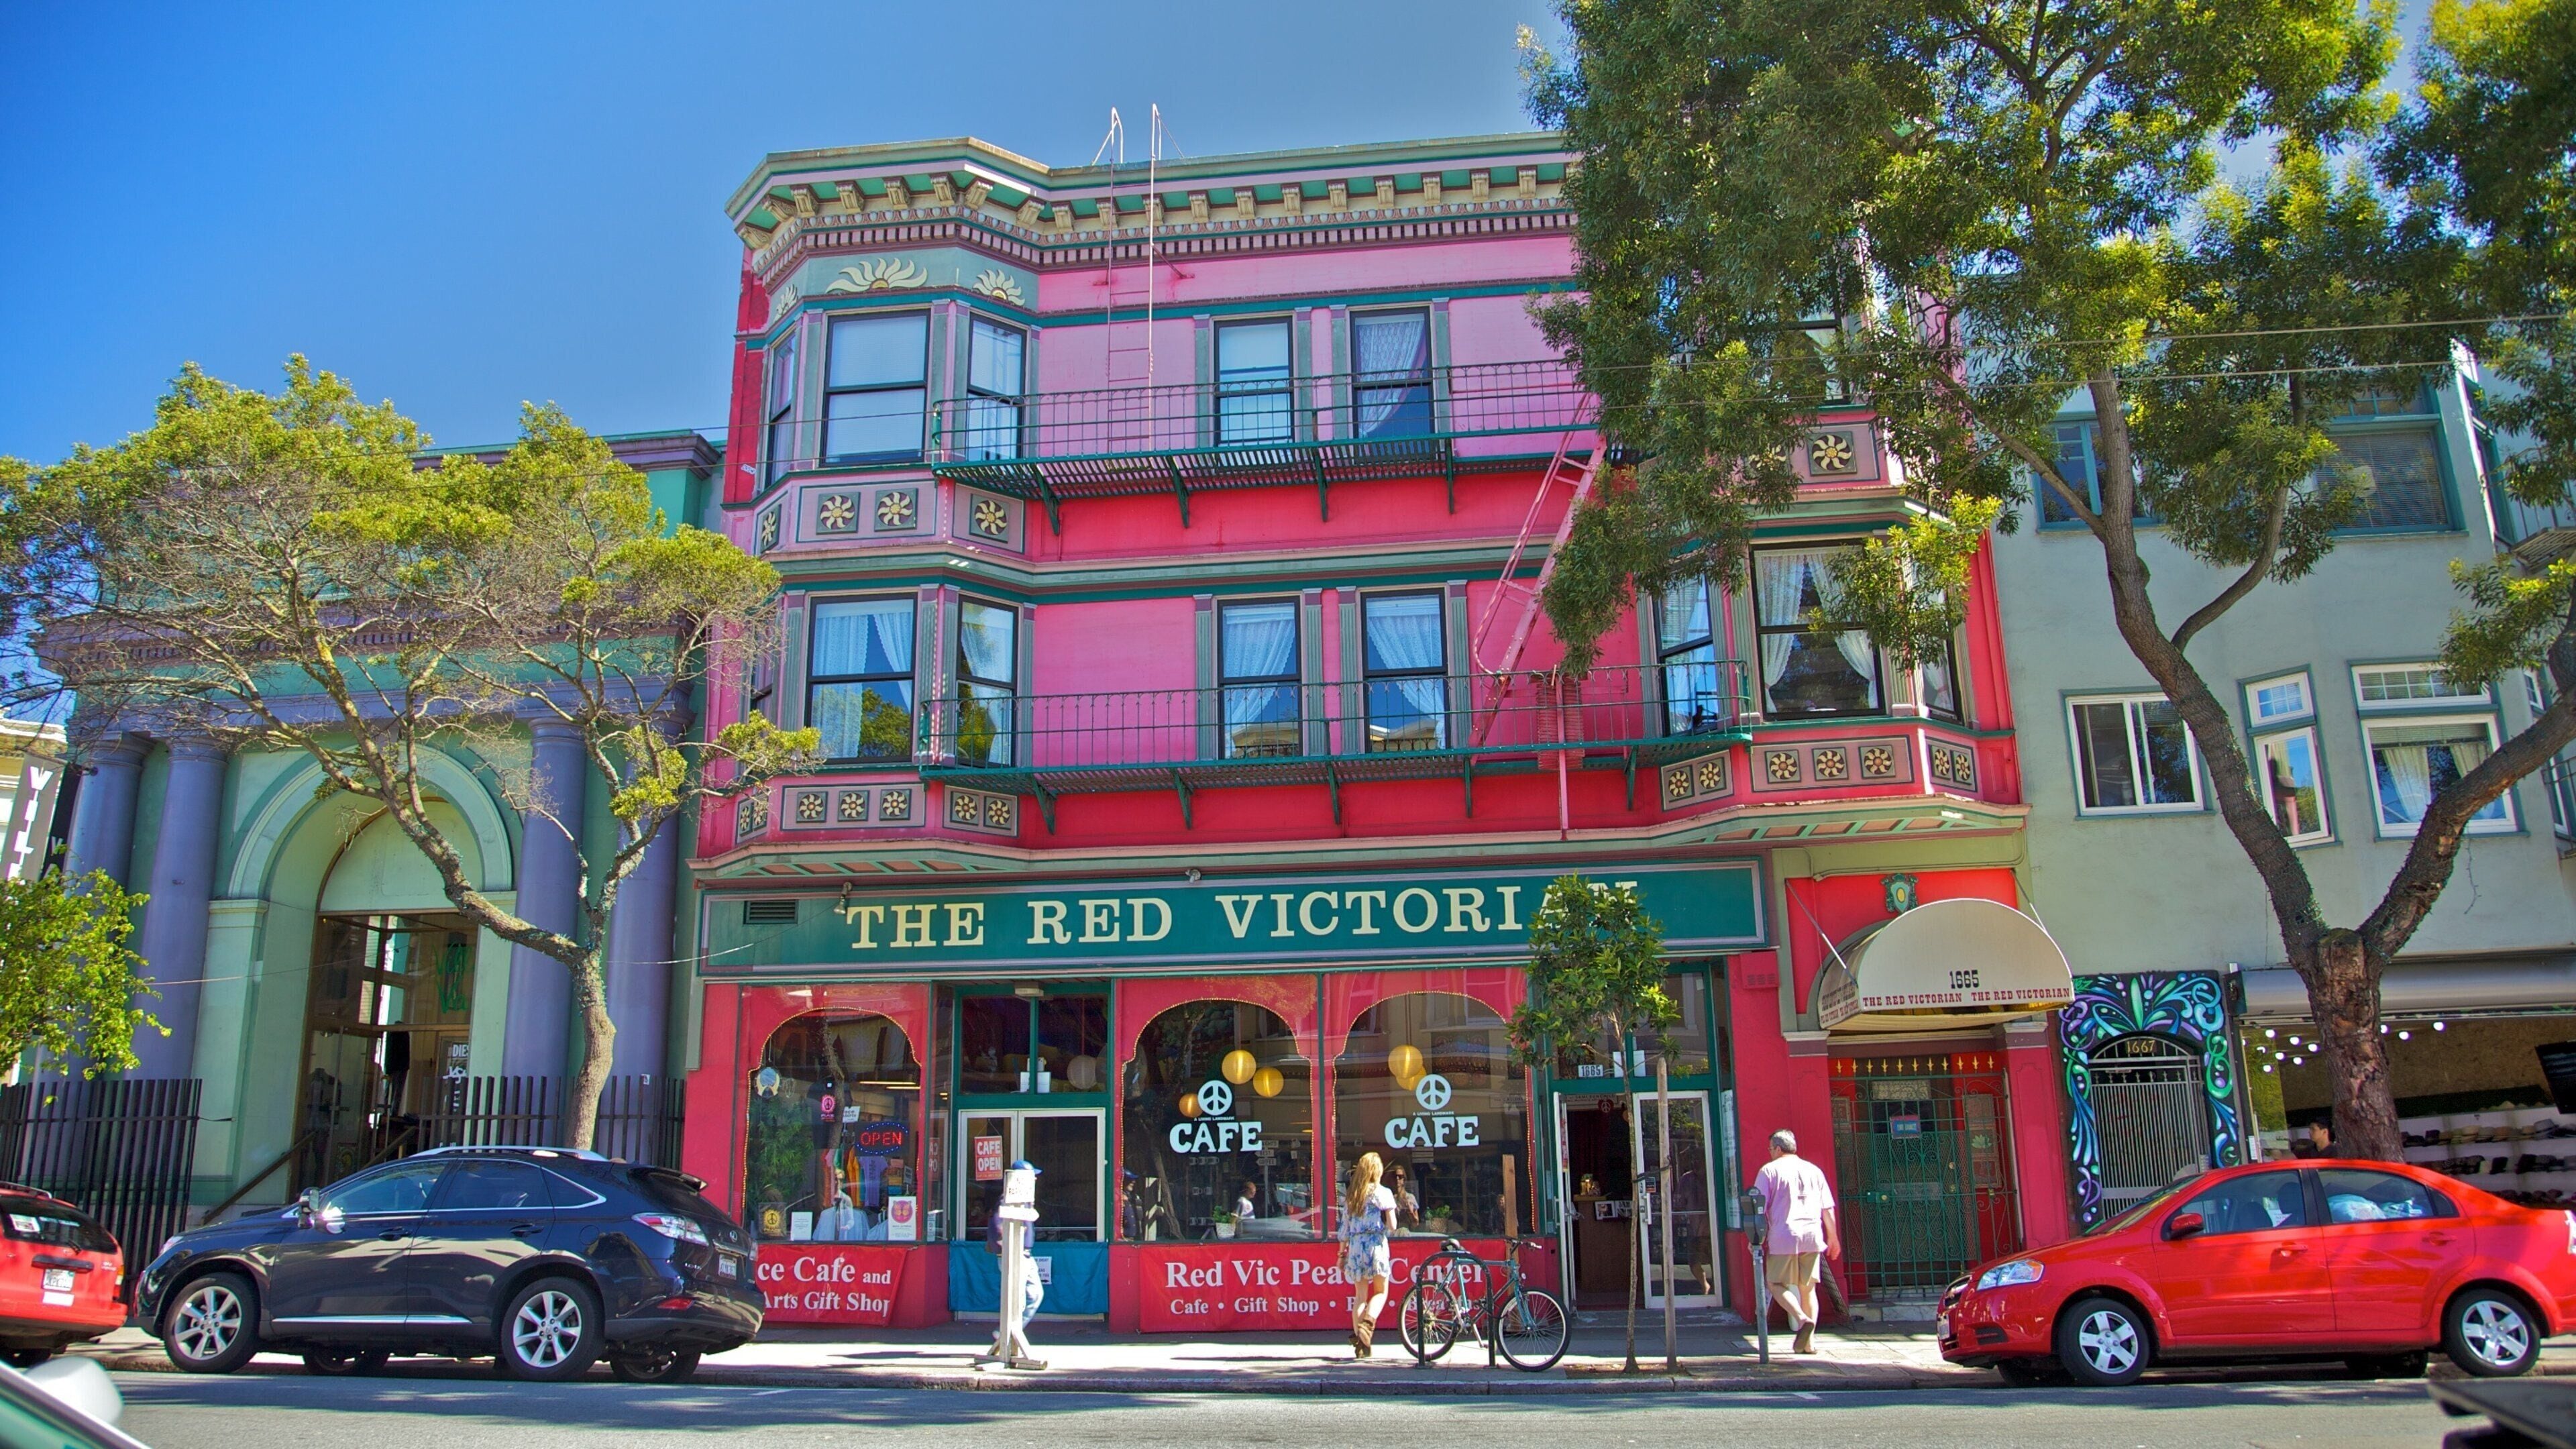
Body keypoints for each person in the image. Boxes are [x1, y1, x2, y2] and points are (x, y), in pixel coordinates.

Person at [1751, 1128, 1839, 1355]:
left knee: (1775, 1283)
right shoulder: (1814, 1170)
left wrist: (1755, 1238)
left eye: (1770, 1149)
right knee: (1808, 1289)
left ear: (1778, 1149)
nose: (1769, 1152)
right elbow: (1827, 1208)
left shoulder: (1769, 1171)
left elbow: (1758, 1207)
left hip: (1784, 1235)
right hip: (1812, 1234)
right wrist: (1833, 1237)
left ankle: (1801, 1319)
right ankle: (1809, 1343)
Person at [1340, 1150, 1399, 1358]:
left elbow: (1344, 1230)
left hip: (1356, 1246)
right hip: (1376, 1244)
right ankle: (1368, 1323)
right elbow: (1392, 1225)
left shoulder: (1352, 1195)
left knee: (1360, 1297)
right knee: (1381, 1292)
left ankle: (1361, 1345)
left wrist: (1341, 1255)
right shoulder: (1383, 1192)